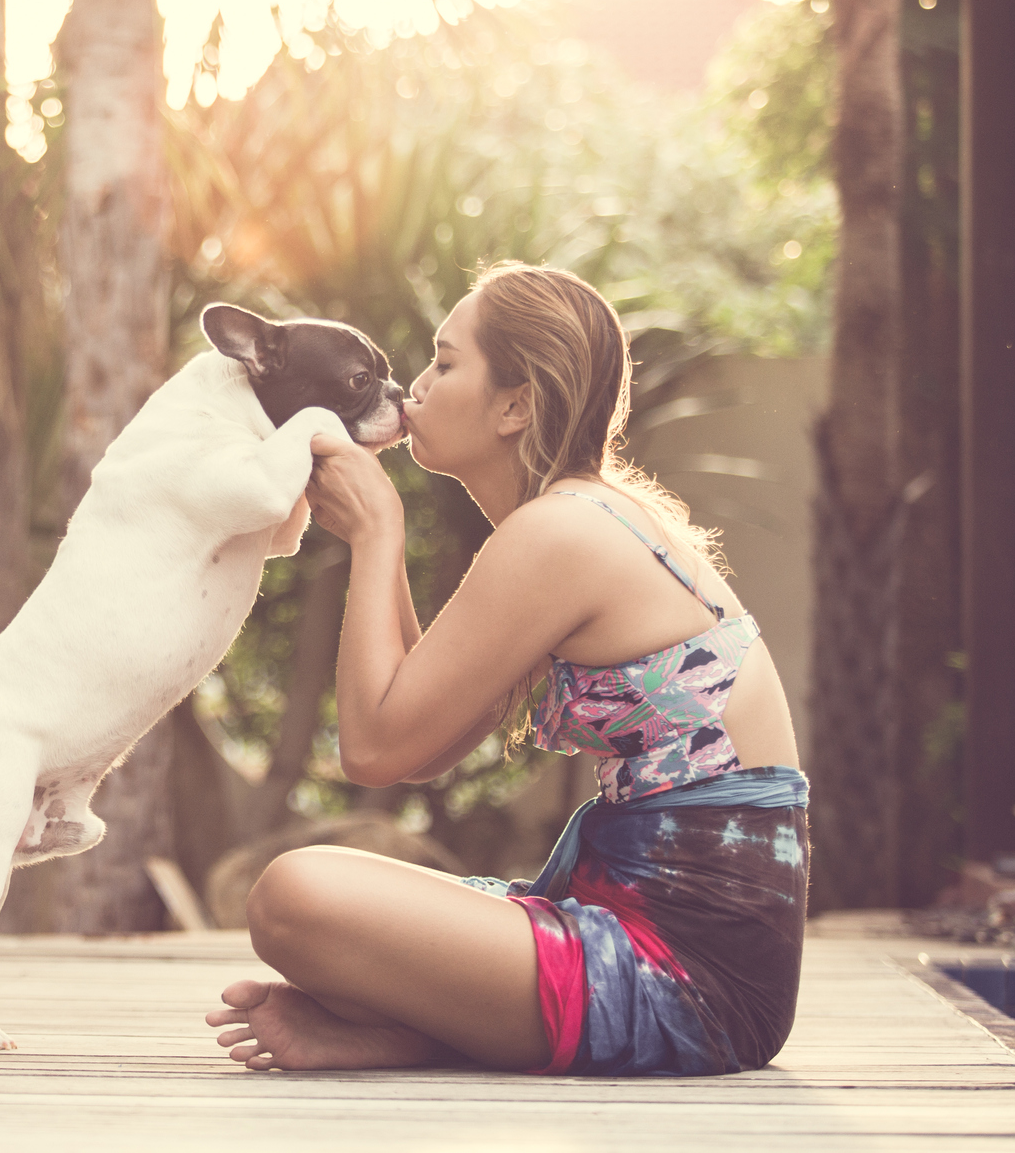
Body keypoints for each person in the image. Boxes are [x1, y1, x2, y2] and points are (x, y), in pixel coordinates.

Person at [205, 261, 809, 1077]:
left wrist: (379, 532)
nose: (412, 387)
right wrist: (373, 537)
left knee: (295, 898)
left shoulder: (559, 533)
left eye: (444, 363)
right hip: (647, 932)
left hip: (694, 977)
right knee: (321, 905)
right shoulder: (570, 519)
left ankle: (423, 1027)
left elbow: (374, 753)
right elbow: (420, 744)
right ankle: (420, 1030)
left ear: (515, 404)